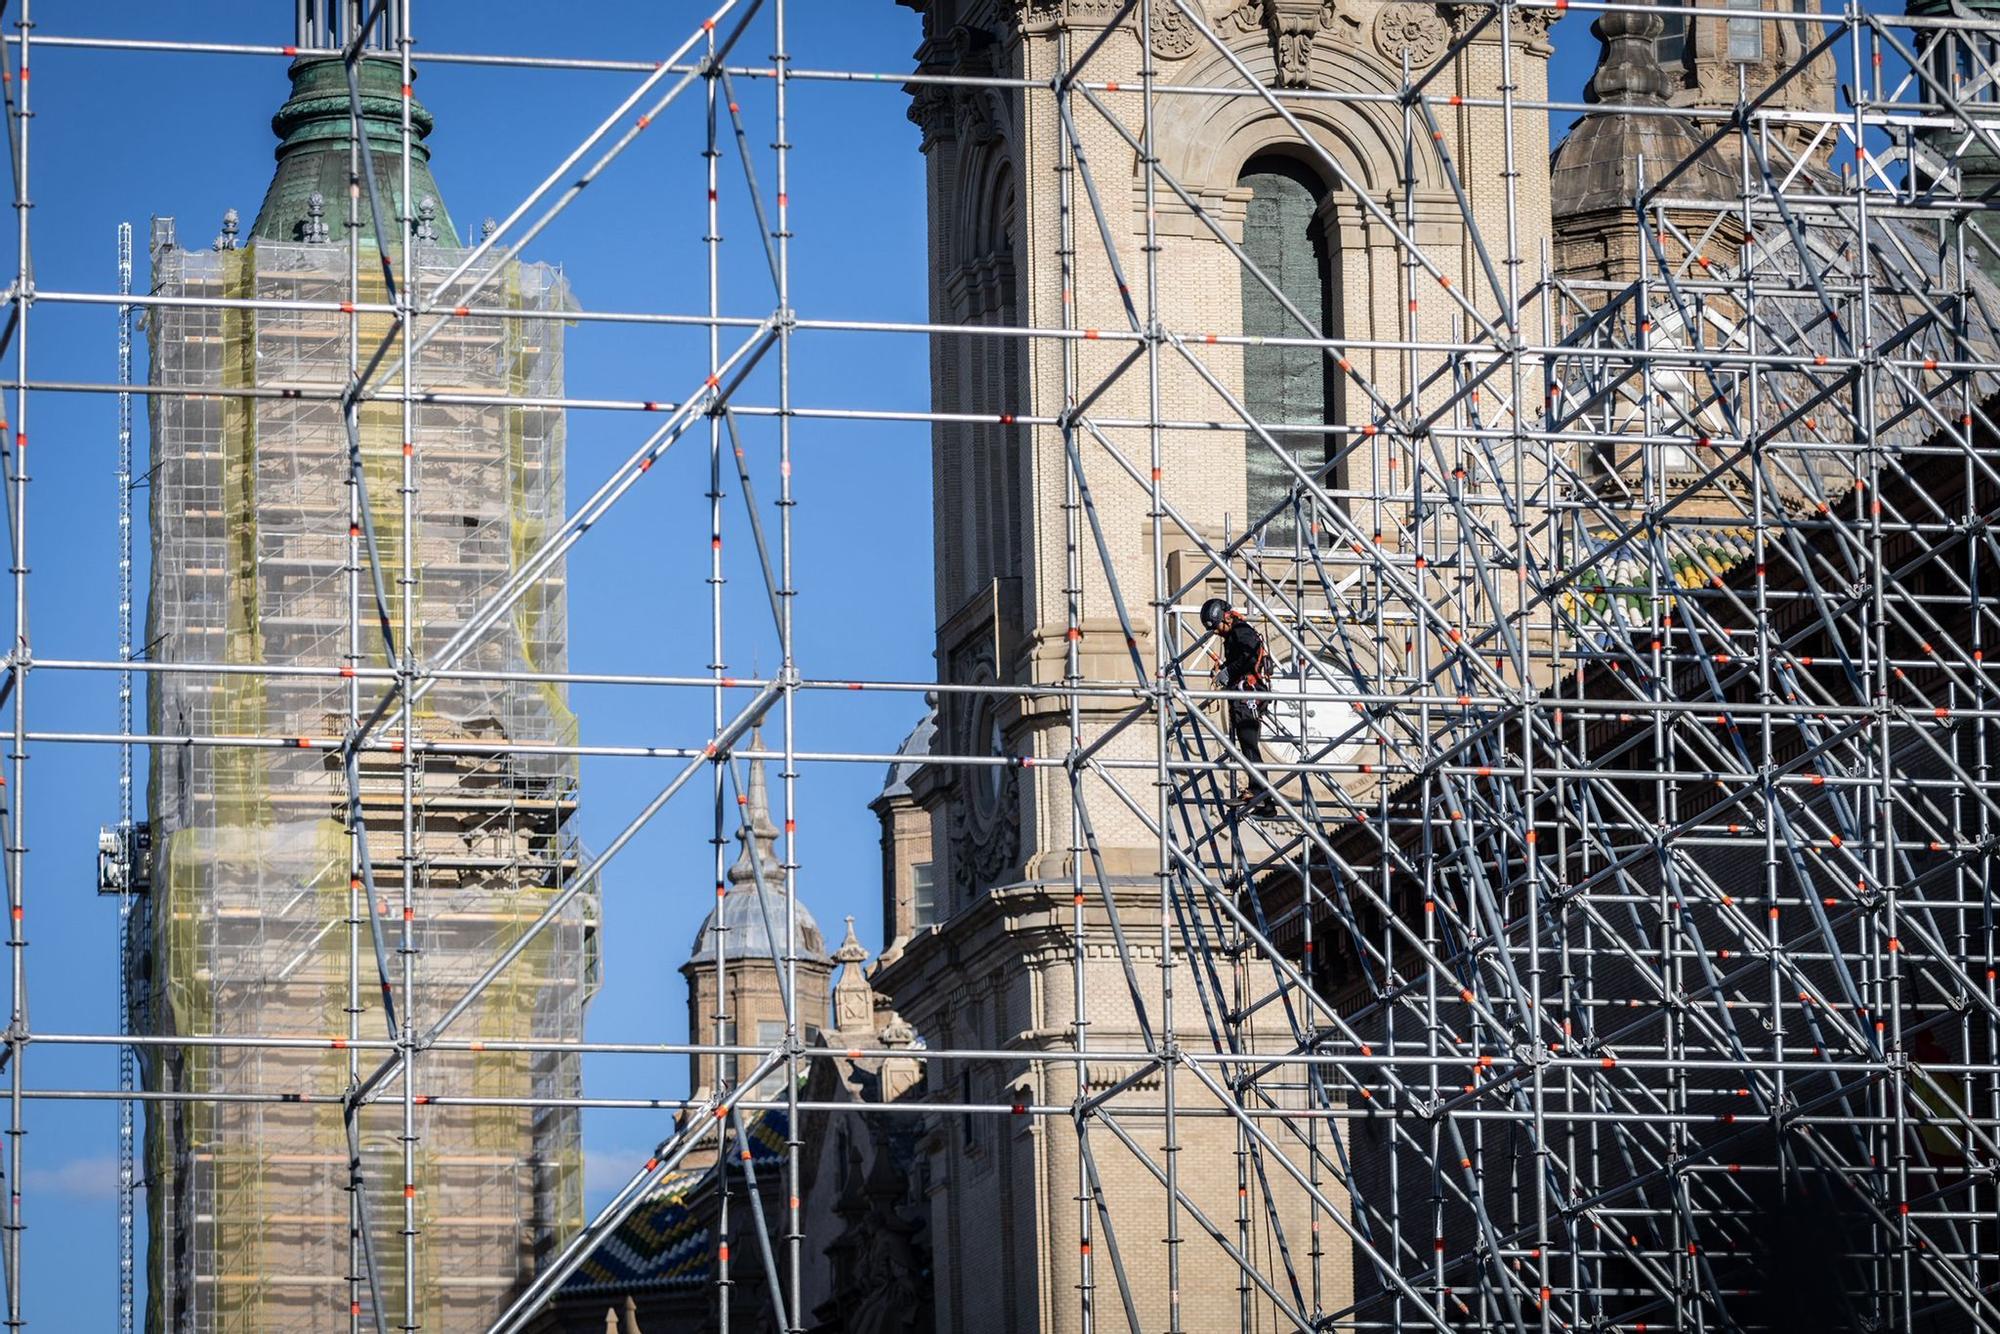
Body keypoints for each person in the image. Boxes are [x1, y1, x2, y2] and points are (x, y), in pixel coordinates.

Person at [1200, 597, 1272, 811]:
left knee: (1249, 743)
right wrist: (1225, 669)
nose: (1216, 631)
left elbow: (1249, 657)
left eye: (1217, 626)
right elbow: (1241, 659)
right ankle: (1263, 799)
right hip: (1244, 694)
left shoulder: (1241, 631)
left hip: (1248, 694)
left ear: (1225, 618)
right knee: (1247, 744)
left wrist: (1228, 671)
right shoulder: (1235, 634)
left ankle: (1261, 794)